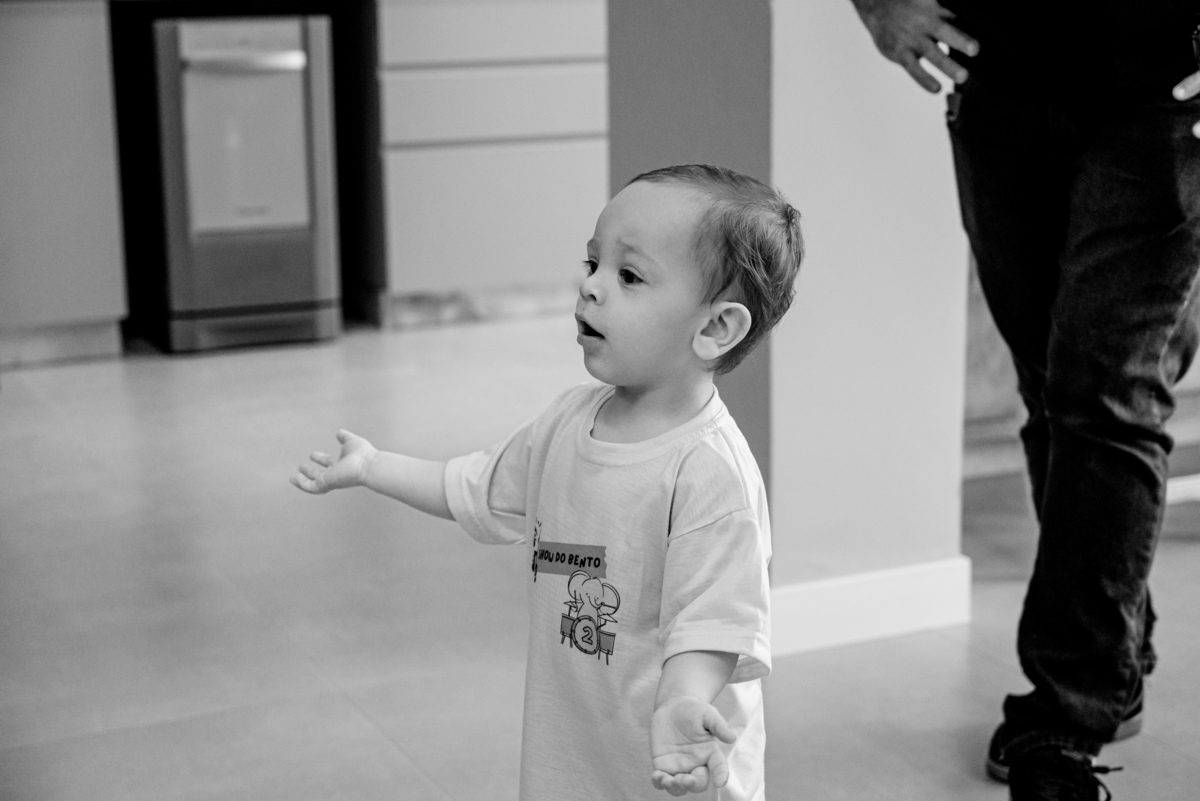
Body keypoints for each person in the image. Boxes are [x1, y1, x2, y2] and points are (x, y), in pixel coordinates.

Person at [290, 164, 804, 800]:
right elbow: (473, 487)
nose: (590, 286)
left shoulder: (708, 474)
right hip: (574, 756)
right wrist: (373, 466)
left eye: (629, 275)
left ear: (714, 329)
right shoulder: (567, 421)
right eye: (593, 262)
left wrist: (681, 701)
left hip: (676, 766)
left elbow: (714, 626)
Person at [847, 0, 1200, 798]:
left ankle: (1067, 711)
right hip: (998, 69)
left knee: (1105, 389)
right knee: (1051, 383)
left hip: (1163, 87)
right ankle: (1116, 644)